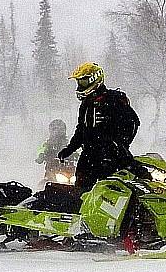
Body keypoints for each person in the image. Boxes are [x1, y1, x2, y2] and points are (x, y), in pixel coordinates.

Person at [58, 62, 140, 192]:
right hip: (88, 156)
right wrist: (69, 149)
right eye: (79, 82)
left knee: (109, 193)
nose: (80, 86)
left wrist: (118, 144)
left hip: (111, 157)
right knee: (80, 193)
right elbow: (81, 130)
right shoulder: (85, 105)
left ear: (95, 80)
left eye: (83, 82)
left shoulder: (114, 99)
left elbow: (133, 123)